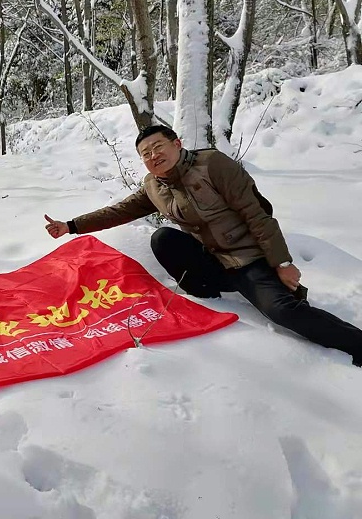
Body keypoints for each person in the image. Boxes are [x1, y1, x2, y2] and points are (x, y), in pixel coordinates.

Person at [44, 125, 362, 367]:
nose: (153, 156)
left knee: (282, 311)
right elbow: (120, 211)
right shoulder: (153, 186)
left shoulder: (212, 165)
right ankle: (210, 294)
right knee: (163, 238)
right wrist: (71, 226)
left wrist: (281, 263)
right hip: (212, 262)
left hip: (248, 260)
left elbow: (256, 214)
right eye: (146, 154)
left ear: (177, 144)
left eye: (158, 147)